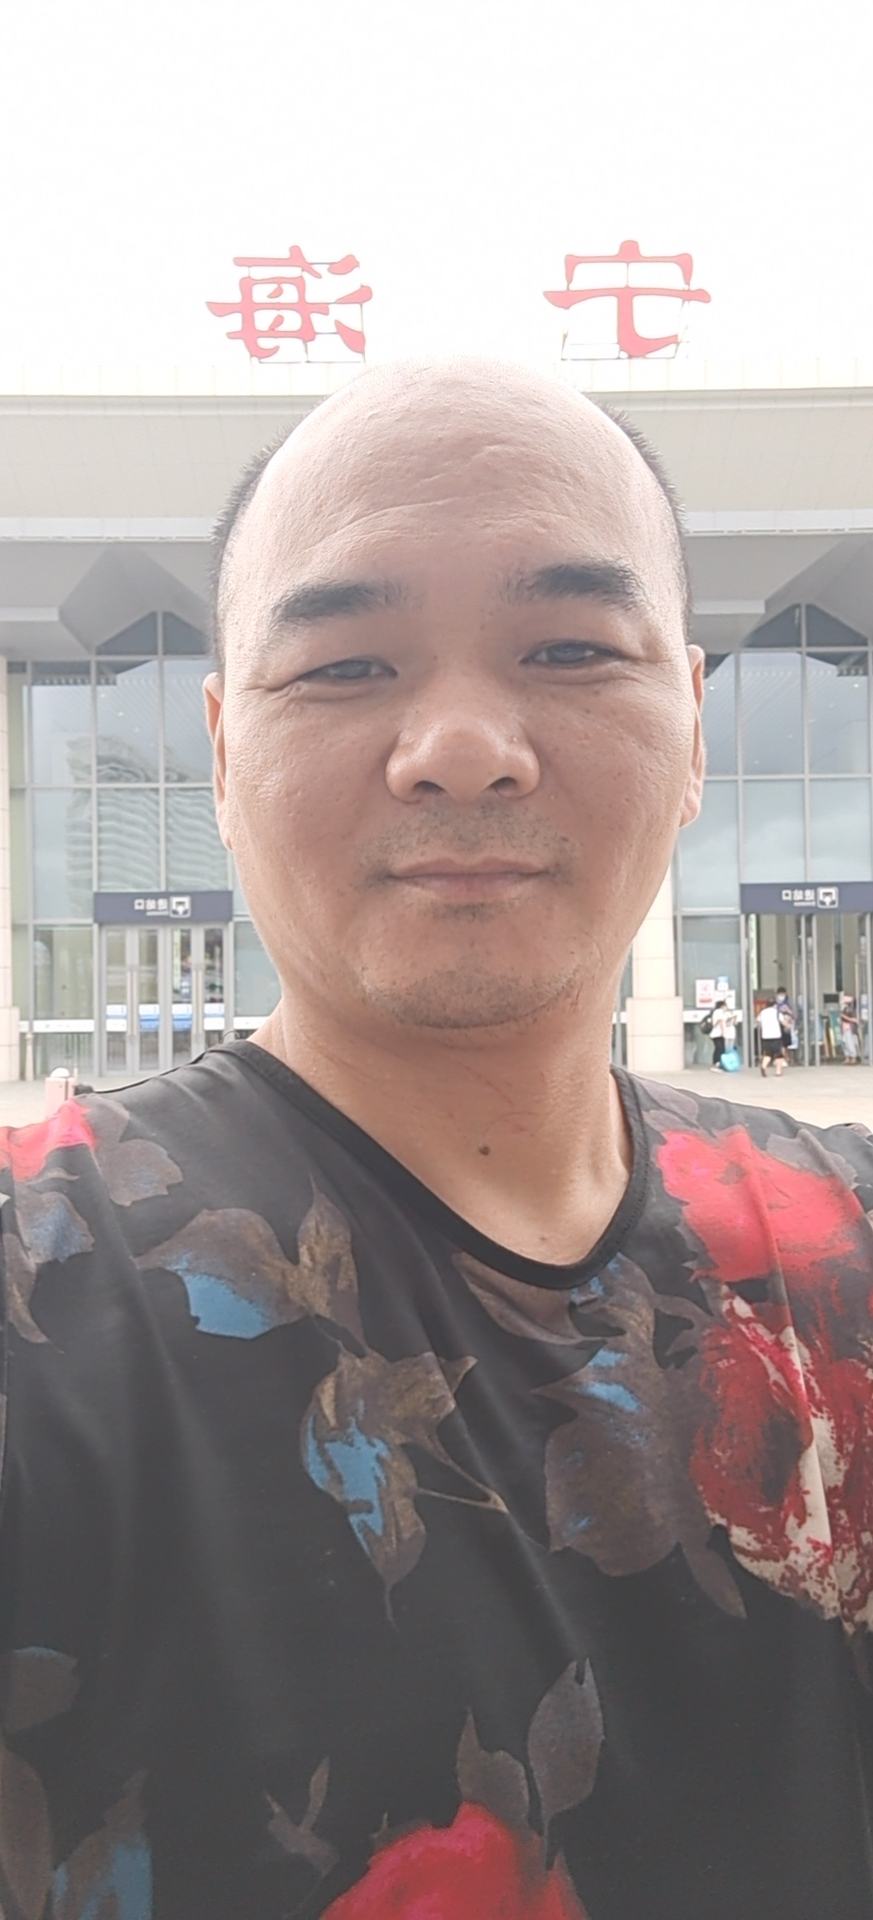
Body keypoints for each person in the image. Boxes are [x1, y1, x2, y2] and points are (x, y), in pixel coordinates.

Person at [1, 361, 872, 1920]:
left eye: (568, 648)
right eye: (345, 665)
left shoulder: (848, 1238)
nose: (462, 747)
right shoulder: (44, 1287)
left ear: (692, 725)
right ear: (221, 748)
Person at [757, 992, 788, 1077]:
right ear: (775, 1004)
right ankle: (778, 1071)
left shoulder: (763, 1012)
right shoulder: (777, 1012)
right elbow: (783, 1022)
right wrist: (788, 1025)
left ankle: (763, 1066)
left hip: (765, 1036)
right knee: (779, 1055)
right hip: (776, 1036)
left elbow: (758, 1020)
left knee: (768, 1053)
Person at [708, 997, 736, 1071]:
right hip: (718, 1033)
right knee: (720, 1049)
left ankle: (717, 1063)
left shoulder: (717, 1012)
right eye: (725, 1005)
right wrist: (724, 1033)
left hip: (716, 1034)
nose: (726, 1007)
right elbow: (721, 1022)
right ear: (722, 1006)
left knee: (719, 1048)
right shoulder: (719, 1011)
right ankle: (717, 1063)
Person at [841, 998, 862, 1064]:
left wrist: (844, 1017)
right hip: (844, 1027)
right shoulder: (845, 1009)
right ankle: (847, 1057)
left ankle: (853, 1057)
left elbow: (855, 1020)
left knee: (850, 1043)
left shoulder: (853, 1009)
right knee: (845, 1043)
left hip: (850, 1028)